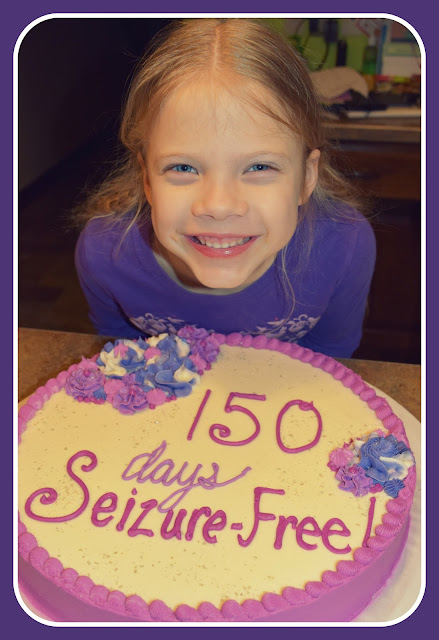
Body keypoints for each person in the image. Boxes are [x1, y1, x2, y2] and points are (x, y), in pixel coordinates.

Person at [75, 18, 376, 358]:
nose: (218, 206)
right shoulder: (105, 254)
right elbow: (118, 351)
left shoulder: (344, 246)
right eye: (183, 167)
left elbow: (332, 355)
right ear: (147, 178)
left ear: (307, 177)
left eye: (259, 167)